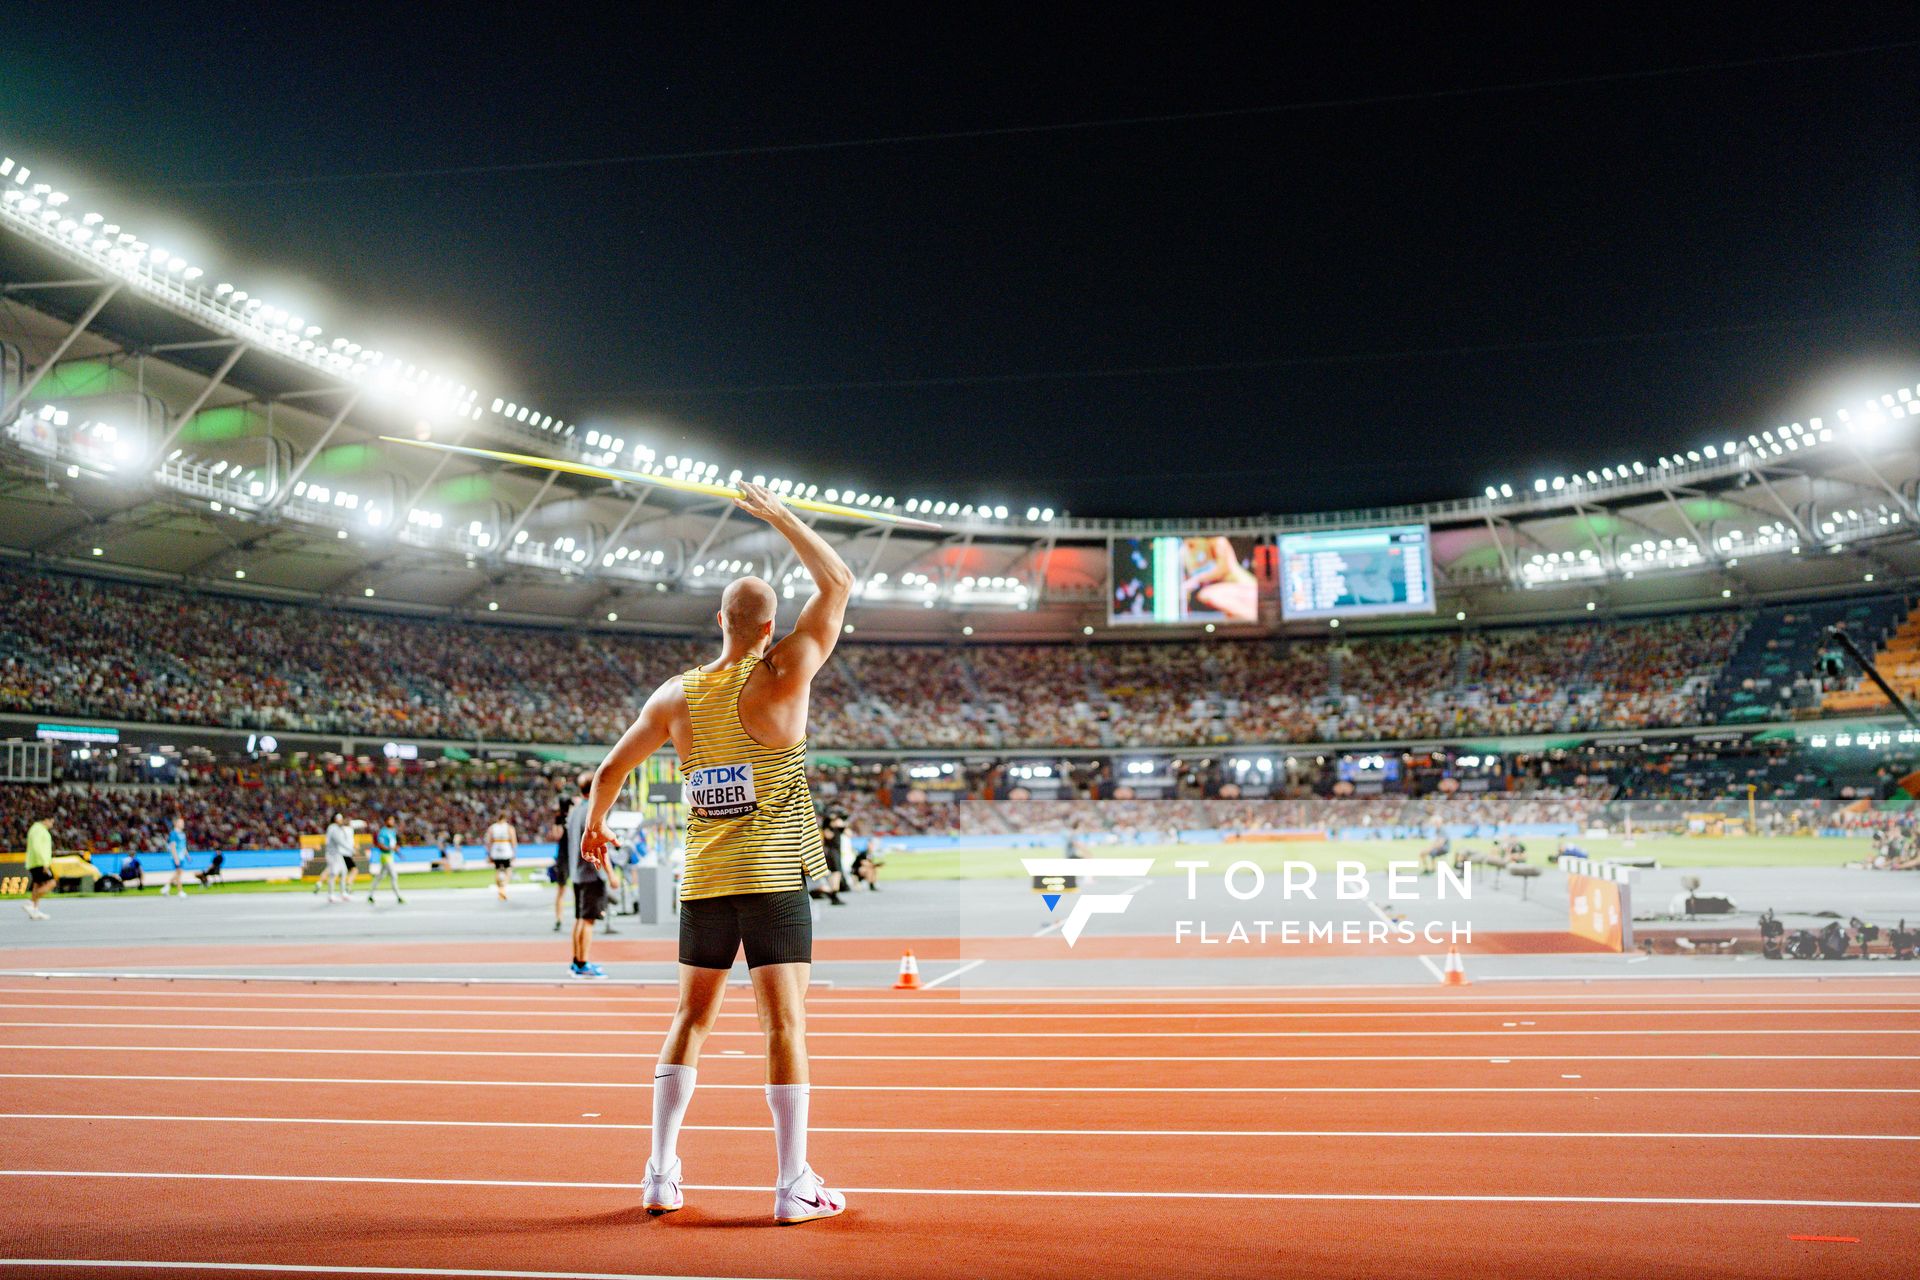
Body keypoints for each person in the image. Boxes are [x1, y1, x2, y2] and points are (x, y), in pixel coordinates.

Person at [580, 481, 847, 1226]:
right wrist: (784, 516)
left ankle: (660, 1174)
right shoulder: (786, 669)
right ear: (770, 627)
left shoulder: (676, 695)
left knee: (689, 1021)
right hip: (771, 877)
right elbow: (840, 582)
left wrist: (595, 826)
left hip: (704, 882)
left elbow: (607, 773)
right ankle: (792, 1185)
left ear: (719, 621)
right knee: (784, 1027)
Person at [562, 773, 608, 978]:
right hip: (591, 874)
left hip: (577, 873)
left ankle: (577, 961)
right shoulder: (592, 812)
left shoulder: (574, 812)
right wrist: (610, 874)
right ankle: (583, 963)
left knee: (580, 919)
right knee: (588, 920)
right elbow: (598, 844)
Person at [550, 783, 577, 932]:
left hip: (575, 855)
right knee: (561, 889)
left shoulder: (576, 815)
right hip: (563, 856)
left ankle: (578, 917)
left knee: (577, 888)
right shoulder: (559, 819)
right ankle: (558, 919)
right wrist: (559, 820)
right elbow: (557, 835)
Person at [367, 814, 404, 904]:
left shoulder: (392, 831)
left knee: (380, 877)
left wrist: (398, 852)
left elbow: (393, 845)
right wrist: (391, 849)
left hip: (390, 856)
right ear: (386, 821)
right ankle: (399, 897)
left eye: (393, 820)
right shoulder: (383, 832)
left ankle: (370, 895)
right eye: (390, 820)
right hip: (385, 856)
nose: (392, 822)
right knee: (394, 876)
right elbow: (380, 845)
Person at [22, 815, 55, 919]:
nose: (52, 825)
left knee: (38, 885)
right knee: (51, 883)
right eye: (51, 822)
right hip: (39, 862)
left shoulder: (36, 829)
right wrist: (45, 863)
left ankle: (34, 911)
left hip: (35, 861)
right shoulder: (38, 830)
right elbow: (37, 847)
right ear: (45, 819)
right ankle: (30, 903)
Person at [321, 812, 355, 903]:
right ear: (335, 819)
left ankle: (343, 893)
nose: (341, 820)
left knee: (344, 871)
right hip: (332, 854)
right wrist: (350, 849)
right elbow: (339, 841)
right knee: (333, 874)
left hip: (337, 853)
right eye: (339, 819)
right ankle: (331, 895)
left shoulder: (337, 828)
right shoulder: (333, 828)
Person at [485, 814, 517, 901]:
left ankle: (500, 890)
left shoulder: (492, 828)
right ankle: (503, 887)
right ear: (505, 818)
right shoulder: (509, 827)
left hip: (496, 849)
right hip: (506, 849)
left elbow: (488, 841)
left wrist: (488, 854)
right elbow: (514, 841)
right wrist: (514, 853)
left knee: (498, 870)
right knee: (508, 870)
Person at [160, 815, 190, 898]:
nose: (183, 824)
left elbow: (183, 846)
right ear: (176, 823)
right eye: (181, 822)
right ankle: (180, 891)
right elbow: (172, 846)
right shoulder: (173, 834)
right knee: (178, 873)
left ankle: (166, 886)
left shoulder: (183, 834)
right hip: (176, 857)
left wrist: (187, 855)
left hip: (182, 857)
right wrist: (176, 858)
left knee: (178, 873)